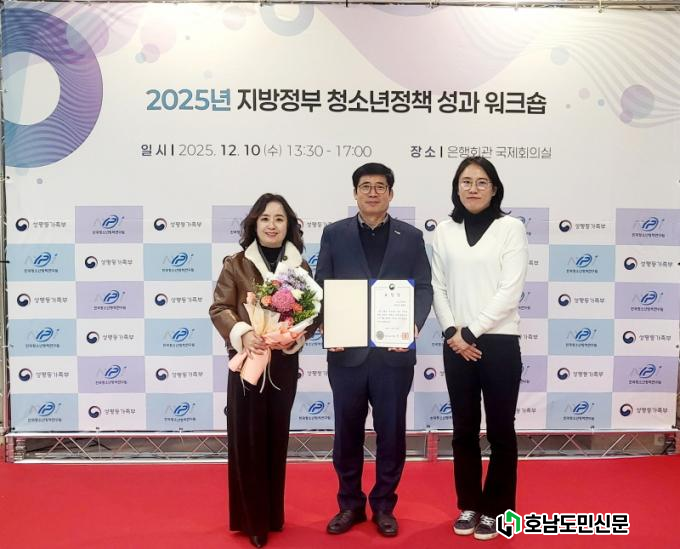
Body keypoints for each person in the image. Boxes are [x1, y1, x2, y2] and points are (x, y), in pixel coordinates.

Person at [316, 162, 433, 538]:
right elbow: (322, 285)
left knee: (391, 434)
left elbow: (424, 287)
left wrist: (413, 324)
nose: (372, 192)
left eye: (380, 186)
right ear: (355, 193)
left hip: (393, 355)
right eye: (365, 186)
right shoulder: (334, 234)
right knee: (346, 433)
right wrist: (326, 324)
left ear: (391, 193)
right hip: (346, 353)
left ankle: (384, 505)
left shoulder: (411, 237)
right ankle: (349, 504)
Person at [210, 193, 317, 548]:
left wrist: (295, 337)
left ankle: (273, 515)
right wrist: (244, 333)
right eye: (266, 219)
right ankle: (252, 520)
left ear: (289, 226)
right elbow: (220, 308)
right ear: (254, 224)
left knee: (276, 438)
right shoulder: (236, 264)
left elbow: (312, 315)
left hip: (284, 364)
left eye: (279, 219)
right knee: (248, 440)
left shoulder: (300, 268)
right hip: (248, 362)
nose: (272, 225)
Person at [431, 156, 528, 541]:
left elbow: (511, 289)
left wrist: (471, 332)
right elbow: (437, 286)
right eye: (466, 181)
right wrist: (452, 332)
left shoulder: (510, 228)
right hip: (456, 343)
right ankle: (470, 504)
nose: (473, 188)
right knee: (463, 431)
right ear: (456, 187)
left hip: (498, 342)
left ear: (494, 188)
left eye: (481, 182)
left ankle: (497, 509)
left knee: (501, 430)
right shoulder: (444, 230)